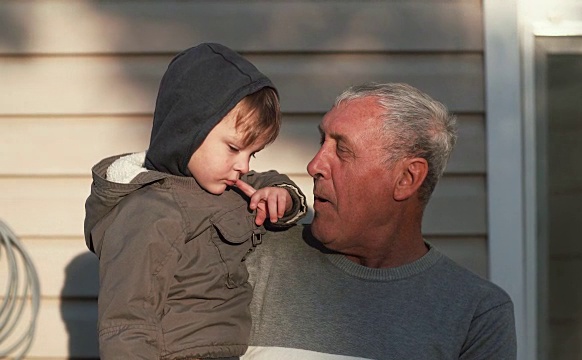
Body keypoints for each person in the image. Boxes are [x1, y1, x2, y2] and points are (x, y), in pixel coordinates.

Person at [242, 82, 517, 359]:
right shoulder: (249, 258)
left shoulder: (476, 314)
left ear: (406, 179)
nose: (315, 166)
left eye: (342, 150)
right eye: (322, 141)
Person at [83, 43, 307, 360]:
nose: (243, 165)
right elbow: (127, 321)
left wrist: (281, 196)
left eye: (251, 153)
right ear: (188, 131)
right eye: (233, 148)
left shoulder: (228, 182)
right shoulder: (150, 211)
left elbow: (266, 181)